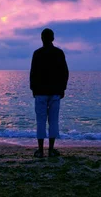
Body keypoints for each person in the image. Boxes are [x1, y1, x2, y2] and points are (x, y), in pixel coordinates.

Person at [30, 28, 69, 158]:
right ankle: (51, 150)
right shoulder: (59, 53)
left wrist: (33, 89)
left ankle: (40, 151)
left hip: (40, 92)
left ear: (42, 38)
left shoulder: (37, 53)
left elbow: (33, 73)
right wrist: (63, 88)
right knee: (53, 121)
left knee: (40, 121)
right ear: (53, 38)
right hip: (55, 92)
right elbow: (65, 72)